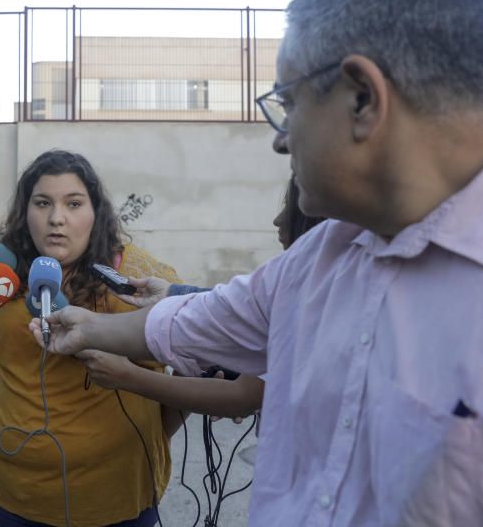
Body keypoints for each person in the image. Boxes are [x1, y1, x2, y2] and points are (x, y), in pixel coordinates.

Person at [32, 0, 483, 527]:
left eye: (287, 104)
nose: (280, 140)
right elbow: (195, 320)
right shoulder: (321, 255)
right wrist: (90, 328)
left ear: (363, 98)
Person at [0, 149, 179, 527]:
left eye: (73, 203)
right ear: (25, 211)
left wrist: (147, 439)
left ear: (95, 213)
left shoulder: (134, 280)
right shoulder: (2, 275)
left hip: (111, 504)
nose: (56, 219)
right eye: (42, 203)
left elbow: (180, 370)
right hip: (10, 499)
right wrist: (14, 404)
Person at [82, 175, 323, 421]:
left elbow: (242, 396)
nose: (277, 220)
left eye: (289, 207)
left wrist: (126, 375)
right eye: (43, 203)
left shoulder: (301, 294)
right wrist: (171, 294)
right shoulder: (295, 284)